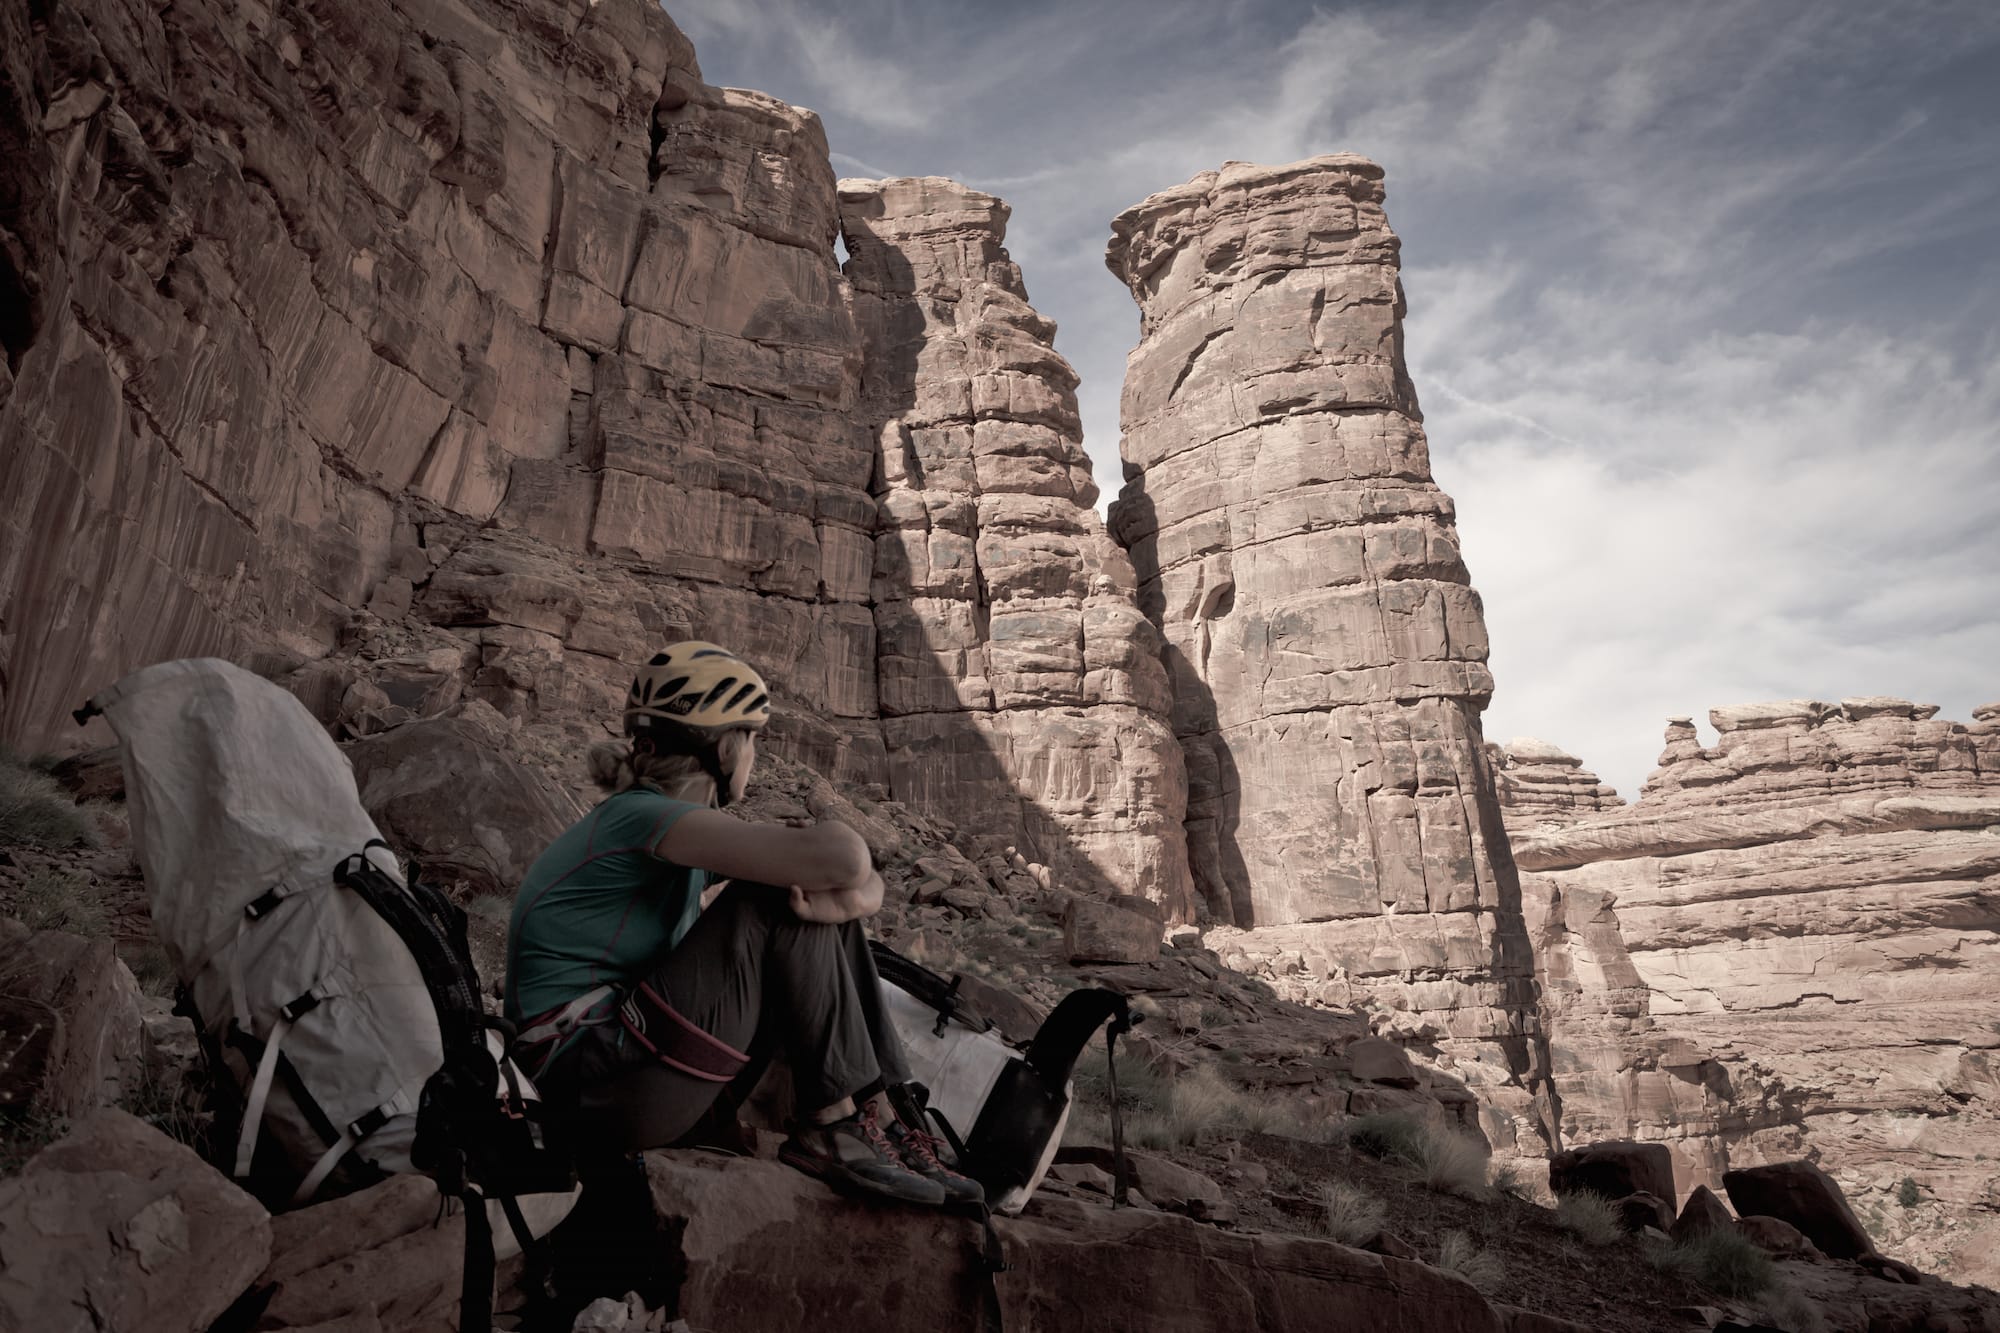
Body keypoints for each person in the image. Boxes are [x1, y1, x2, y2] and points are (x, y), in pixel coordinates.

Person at [503, 640, 980, 1210]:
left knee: (792, 888)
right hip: (591, 1088)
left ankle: (882, 1115)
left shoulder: (664, 828)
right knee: (774, 894)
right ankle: (834, 1124)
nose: (755, 752)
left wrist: (846, 904)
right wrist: (845, 893)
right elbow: (845, 861)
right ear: (724, 746)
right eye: (752, 737)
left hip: (624, 1080)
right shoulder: (642, 818)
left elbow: (849, 879)